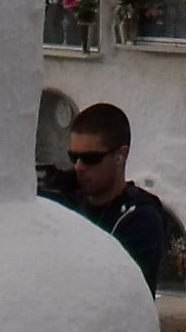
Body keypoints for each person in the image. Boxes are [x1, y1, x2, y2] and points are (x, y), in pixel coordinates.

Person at [64, 103, 167, 291]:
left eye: (90, 158)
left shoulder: (140, 218)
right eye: (74, 157)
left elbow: (111, 290)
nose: (79, 167)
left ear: (121, 155)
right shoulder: (69, 201)